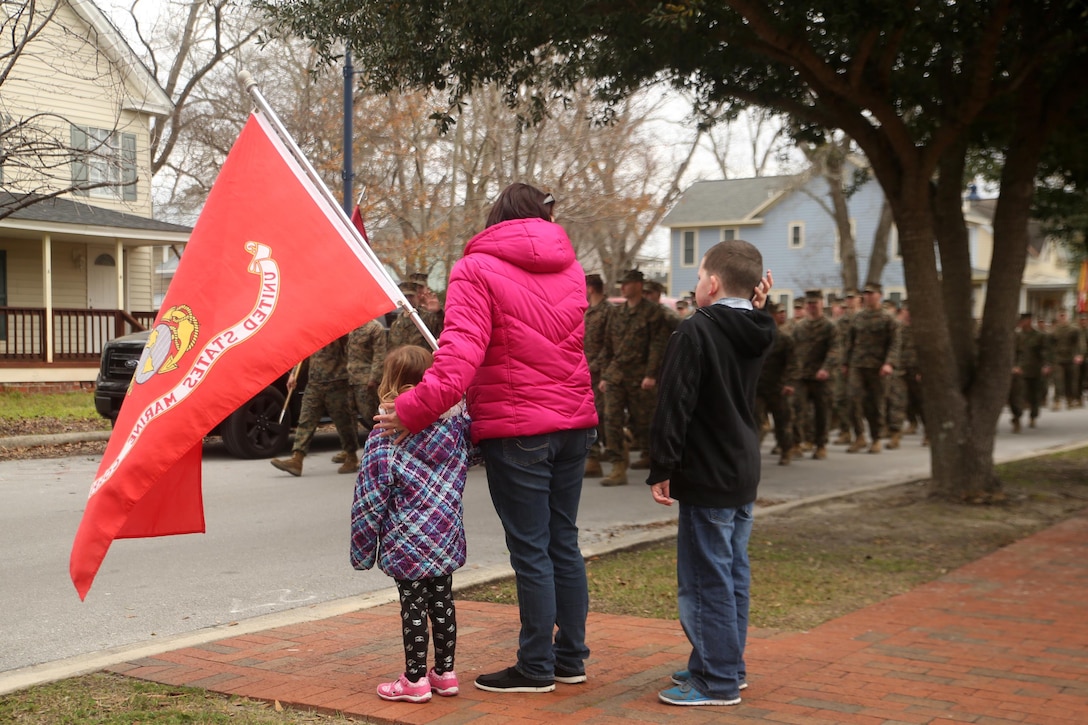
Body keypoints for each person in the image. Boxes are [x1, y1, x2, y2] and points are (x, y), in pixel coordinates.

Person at [374, 183, 598, 693]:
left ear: (496, 217)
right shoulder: (570, 268)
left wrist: (412, 409)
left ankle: (536, 665)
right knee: (563, 542)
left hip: (519, 428)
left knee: (532, 550)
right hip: (574, 420)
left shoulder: (476, 268)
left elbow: (458, 356)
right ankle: (570, 657)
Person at [647, 239, 775, 706]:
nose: (696, 283)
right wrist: (760, 304)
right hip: (741, 467)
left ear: (713, 283)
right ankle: (724, 664)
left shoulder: (695, 330)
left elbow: (674, 403)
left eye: (700, 276)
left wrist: (662, 464)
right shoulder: (760, 326)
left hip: (707, 469)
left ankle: (716, 680)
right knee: (731, 575)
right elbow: (755, 319)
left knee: (705, 579)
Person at [351, 345, 477, 703]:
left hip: (405, 538)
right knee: (443, 601)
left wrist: (363, 550)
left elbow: (369, 498)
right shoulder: (455, 428)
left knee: (413, 606)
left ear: (389, 380)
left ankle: (415, 679)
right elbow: (478, 451)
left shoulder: (385, 433)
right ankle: (446, 674)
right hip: (445, 532)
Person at [598, 268, 671, 483]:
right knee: (611, 419)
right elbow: (608, 346)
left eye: (627, 283)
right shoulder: (616, 312)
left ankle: (657, 459)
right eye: (622, 283)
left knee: (645, 422)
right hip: (617, 375)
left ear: (638, 285)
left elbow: (657, 346)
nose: (623, 287)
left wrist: (651, 374)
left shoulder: (653, 312)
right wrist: (605, 375)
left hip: (641, 377)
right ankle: (618, 466)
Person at [270, 336, 359, 476]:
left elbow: (348, 343)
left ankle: (352, 456)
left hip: (336, 382)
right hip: (314, 383)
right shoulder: (313, 333)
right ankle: (297, 460)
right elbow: (304, 355)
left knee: (343, 422)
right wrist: (294, 375)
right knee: (306, 420)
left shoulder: (339, 329)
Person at [845, 282, 900, 454]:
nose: (868, 297)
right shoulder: (857, 317)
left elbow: (895, 343)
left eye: (871, 293)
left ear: (879, 295)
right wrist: (845, 363)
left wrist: (889, 363)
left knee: (876, 404)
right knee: (853, 400)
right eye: (866, 294)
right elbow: (850, 342)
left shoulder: (888, 318)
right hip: (858, 365)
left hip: (878, 368)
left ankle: (876, 439)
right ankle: (859, 436)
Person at [792, 289, 839, 459]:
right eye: (809, 304)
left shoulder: (830, 326)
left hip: (822, 377)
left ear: (821, 304)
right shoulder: (799, 327)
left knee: (822, 412)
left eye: (815, 303)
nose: (812, 307)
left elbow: (835, 349)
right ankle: (797, 443)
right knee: (797, 409)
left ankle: (820, 445)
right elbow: (793, 351)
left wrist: (826, 368)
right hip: (802, 376)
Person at [755, 302, 798, 466]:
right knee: (755, 421)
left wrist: (789, 383)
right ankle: (753, 454)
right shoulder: (757, 338)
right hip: (759, 387)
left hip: (778, 387)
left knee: (782, 421)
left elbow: (792, 363)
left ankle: (786, 450)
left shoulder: (785, 339)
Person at [583, 273, 612, 478]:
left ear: (590, 288)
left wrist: (595, 366)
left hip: (602, 371)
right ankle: (593, 459)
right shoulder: (587, 310)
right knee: (590, 414)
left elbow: (611, 345)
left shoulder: (609, 311)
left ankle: (608, 453)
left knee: (601, 415)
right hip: (585, 370)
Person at [1009, 313, 1052, 432]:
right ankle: (1017, 418)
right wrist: (1015, 366)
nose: (1022, 323)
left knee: (1035, 395)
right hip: (1020, 371)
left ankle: (1033, 416)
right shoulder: (1017, 336)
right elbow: (1014, 353)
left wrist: (1046, 365)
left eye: (1024, 320)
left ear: (1029, 321)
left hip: (1035, 370)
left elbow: (1045, 351)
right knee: (1018, 395)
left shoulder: (1039, 335)